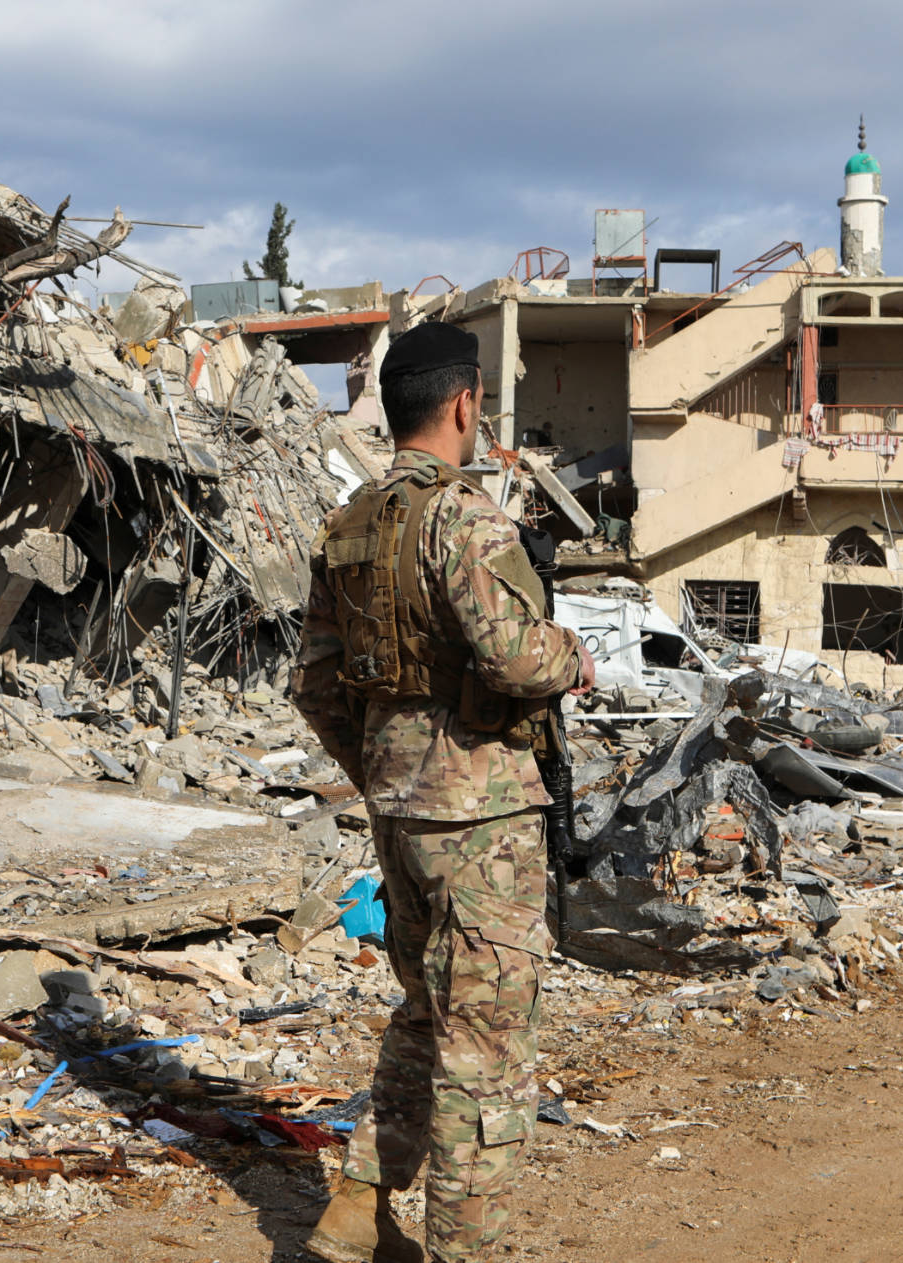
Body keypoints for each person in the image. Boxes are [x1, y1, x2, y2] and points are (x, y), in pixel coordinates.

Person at [292, 321, 593, 1263]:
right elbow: (511, 655)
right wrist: (574, 657)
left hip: (400, 816)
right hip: (486, 823)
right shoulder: (466, 517)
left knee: (428, 1014)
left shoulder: (348, 526)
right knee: (486, 1059)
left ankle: (359, 1204)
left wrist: (383, 766)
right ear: (465, 405)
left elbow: (313, 684)